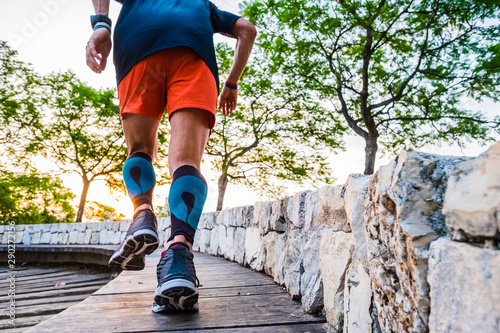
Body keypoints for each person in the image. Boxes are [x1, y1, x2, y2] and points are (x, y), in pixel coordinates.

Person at [85, 0, 256, 313]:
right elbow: (246, 30)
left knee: (139, 150)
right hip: (194, 54)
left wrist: (101, 25)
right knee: (185, 163)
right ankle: (178, 254)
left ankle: (142, 215)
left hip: (138, 47)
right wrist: (230, 84)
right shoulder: (202, 4)